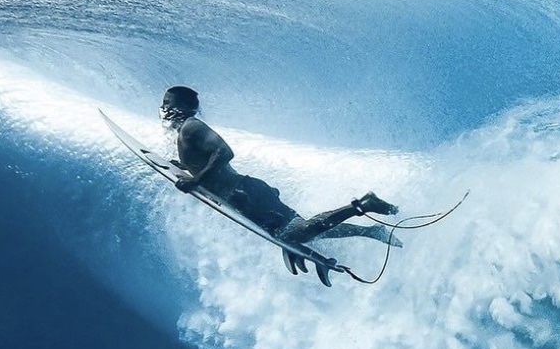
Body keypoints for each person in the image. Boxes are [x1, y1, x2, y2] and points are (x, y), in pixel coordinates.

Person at [159, 85, 401, 246]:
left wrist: (196, 180)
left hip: (245, 194)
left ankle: (364, 204)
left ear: (179, 106)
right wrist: (186, 166)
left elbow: (224, 153)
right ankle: (370, 232)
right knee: (304, 231)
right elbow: (207, 158)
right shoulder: (185, 131)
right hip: (245, 194)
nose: (163, 108)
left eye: (167, 103)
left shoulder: (191, 126)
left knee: (297, 234)